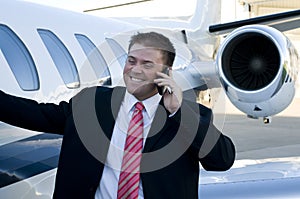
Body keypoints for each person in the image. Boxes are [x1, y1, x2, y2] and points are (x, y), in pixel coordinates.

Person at [0, 31, 235, 199]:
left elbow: (221, 160)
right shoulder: (92, 103)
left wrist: (178, 111)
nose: (135, 69)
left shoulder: (187, 116)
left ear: (166, 72)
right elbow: (35, 114)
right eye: (131, 61)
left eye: (147, 64)